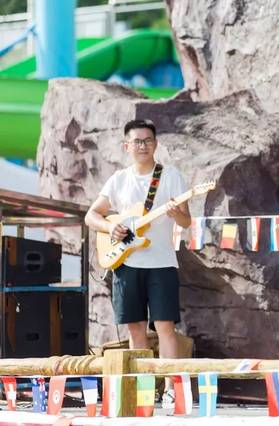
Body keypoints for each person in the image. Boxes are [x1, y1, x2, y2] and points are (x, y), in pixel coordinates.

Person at [85, 119, 192, 407]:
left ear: (156, 144)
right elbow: (91, 216)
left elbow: (187, 220)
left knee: (165, 326)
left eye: (148, 140)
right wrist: (111, 228)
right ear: (126, 146)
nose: (143, 146)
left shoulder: (170, 176)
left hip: (162, 263)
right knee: (135, 329)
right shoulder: (118, 179)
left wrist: (174, 213)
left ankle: (171, 389)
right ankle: (145, 390)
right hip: (126, 263)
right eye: (137, 141)